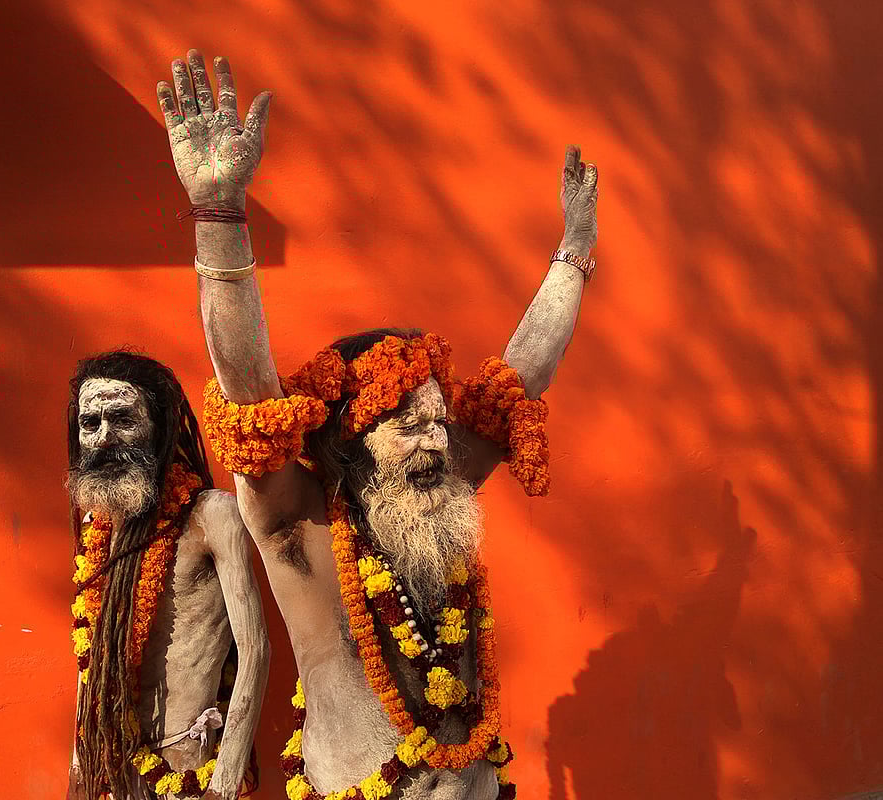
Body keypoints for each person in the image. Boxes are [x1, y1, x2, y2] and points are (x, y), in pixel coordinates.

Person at [158, 49, 598, 799]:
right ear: (347, 445)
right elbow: (249, 386)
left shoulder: (438, 492)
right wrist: (219, 216)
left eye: (437, 421)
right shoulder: (297, 525)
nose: (436, 441)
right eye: (407, 425)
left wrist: (575, 255)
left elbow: (523, 373)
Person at [65, 351, 268, 800]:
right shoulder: (98, 528)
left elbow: (255, 650)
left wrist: (225, 780)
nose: (103, 439)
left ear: (159, 428)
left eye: (122, 419)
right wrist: (80, 763)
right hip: (110, 766)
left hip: (185, 767)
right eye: (90, 423)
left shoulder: (212, 514)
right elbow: (91, 659)